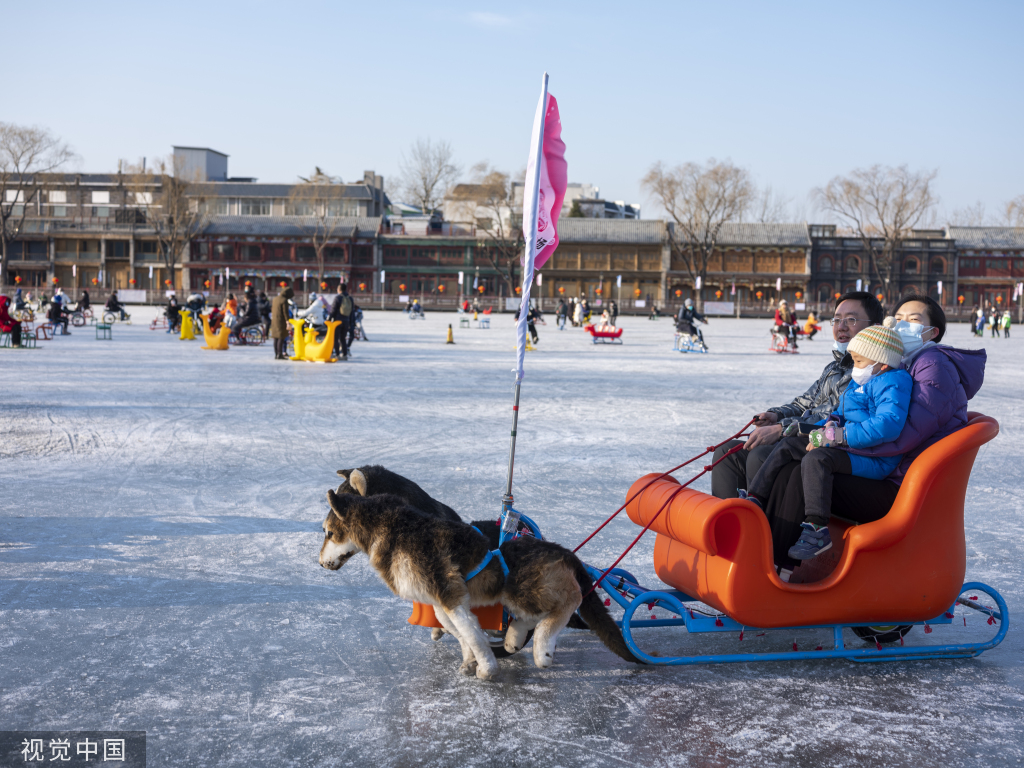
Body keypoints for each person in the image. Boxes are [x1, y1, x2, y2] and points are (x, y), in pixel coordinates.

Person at [757, 294, 985, 577]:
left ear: (932, 330)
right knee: (799, 455)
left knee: (806, 468)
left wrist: (838, 440)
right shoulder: (897, 364)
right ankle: (766, 554)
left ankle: (776, 570)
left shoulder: (931, 365)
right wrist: (821, 433)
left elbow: (899, 435)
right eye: (898, 319)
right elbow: (843, 411)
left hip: (900, 484)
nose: (902, 325)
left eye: (913, 320)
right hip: (886, 470)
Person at [743, 323, 912, 561]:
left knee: (817, 458)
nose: (855, 368)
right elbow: (840, 413)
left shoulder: (894, 382)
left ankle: (816, 528)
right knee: (791, 444)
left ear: (882, 364)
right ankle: (755, 498)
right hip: (847, 444)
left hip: (874, 458)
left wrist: (838, 436)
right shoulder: (860, 381)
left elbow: (887, 425)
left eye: (860, 362)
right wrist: (829, 425)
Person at [710, 291, 884, 499]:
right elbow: (806, 402)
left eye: (851, 320)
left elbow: (830, 416)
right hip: (797, 434)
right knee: (726, 454)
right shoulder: (834, 366)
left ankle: (764, 526)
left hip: (822, 445)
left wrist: (781, 429)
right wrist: (776, 415)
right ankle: (726, 522)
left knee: (759, 455)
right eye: (837, 320)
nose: (841, 326)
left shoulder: (869, 371)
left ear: (874, 327)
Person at [329, 283, 353, 360]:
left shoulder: (338, 298)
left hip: (337, 321)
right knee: (343, 338)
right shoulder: (350, 298)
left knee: (335, 338)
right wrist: (351, 323)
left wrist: (329, 320)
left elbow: (333, 310)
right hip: (346, 321)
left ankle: (337, 354)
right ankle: (345, 354)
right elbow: (352, 312)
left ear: (339, 289)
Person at [270, 286, 294, 360]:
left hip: (274, 320)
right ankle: (280, 354)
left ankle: (276, 353)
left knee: (276, 338)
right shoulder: (284, 300)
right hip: (281, 321)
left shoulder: (275, 299)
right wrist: (288, 321)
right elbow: (285, 312)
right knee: (281, 337)